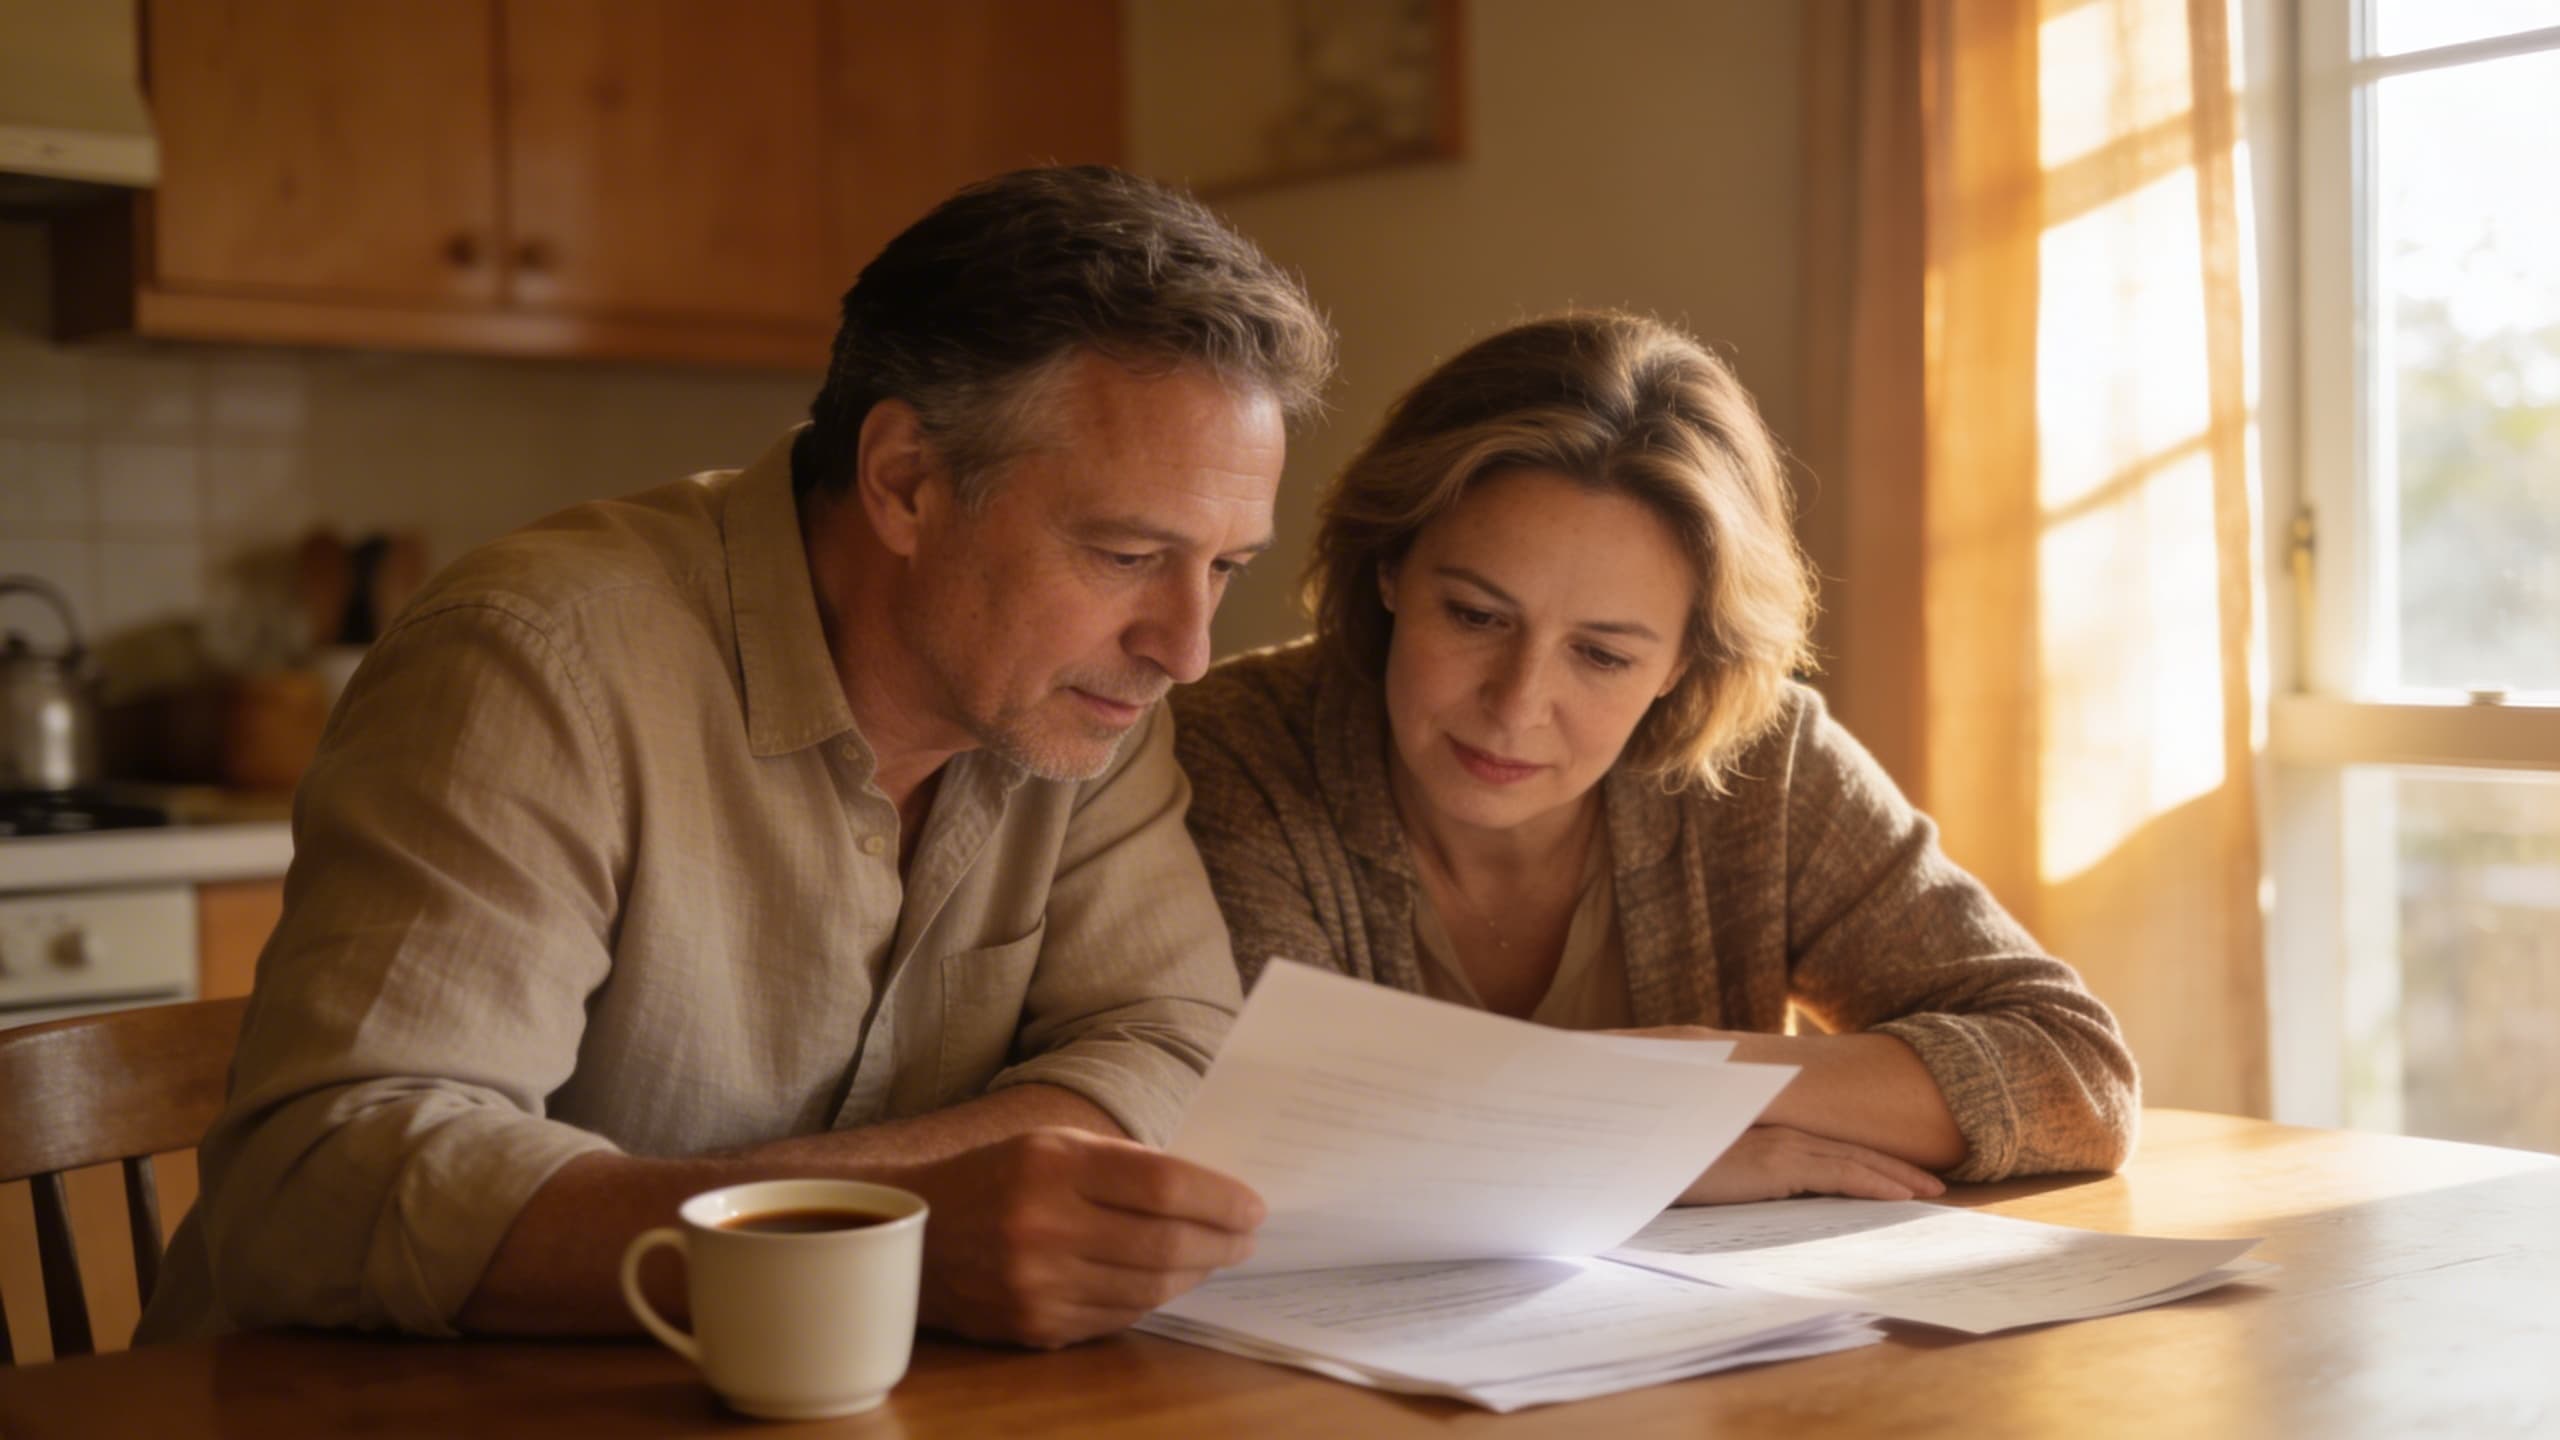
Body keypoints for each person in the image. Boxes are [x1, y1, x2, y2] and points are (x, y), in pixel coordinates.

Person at [137, 166, 1335, 1351]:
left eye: (1224, 567)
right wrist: (881, 1229)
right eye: (1129, 554)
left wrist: (843, 1216)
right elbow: (329, 1181)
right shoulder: (538, 660)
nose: (1185, 648)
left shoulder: (1084, 700)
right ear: (906, 483)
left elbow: (1177, 1047)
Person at [1171, 311, 2136, 1201]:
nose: (1516, 704)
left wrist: (1685, 1077)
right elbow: (1273, 1135)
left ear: (1685, 661)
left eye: (1601, 654)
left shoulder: (1769, 767)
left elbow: (2073, 1075)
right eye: (1474, 616)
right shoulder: (1232, 753)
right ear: (1388, 569)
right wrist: (1655, 1154)